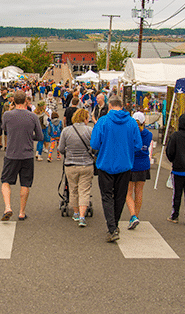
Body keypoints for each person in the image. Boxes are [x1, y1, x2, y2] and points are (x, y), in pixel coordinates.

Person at [90, 95, 142, 243]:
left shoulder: (103, 121)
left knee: (107, 196)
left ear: (110, 106)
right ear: (122, 106)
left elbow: (94, 144)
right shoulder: (132, 122)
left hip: (105, 164)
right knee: (120, 197)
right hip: (125, 164)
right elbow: (138, 145)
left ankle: (112, 228)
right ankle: (115, 225)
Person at [0, 90, 44, 221]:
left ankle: (8, 207)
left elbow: (4, 129)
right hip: (27, 154)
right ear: (26, 101)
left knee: (5, 181)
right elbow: (40, 136)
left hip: (11, 153)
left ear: (13, 101)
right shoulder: (33, 116)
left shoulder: (7, 115)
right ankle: (21, 212)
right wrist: (30, 137)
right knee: (25, 183)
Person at [59, 109, 94, 227]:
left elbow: (61, 149)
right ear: (85, 118)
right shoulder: (90, 130)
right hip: (86, 164)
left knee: (73, 189)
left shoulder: (66, 131)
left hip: (71, 164)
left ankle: (76, 213)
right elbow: (95, 147)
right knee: (84, 191)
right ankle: (82, 216)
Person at [126, 112, 152, 230]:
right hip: (144, 164)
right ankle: (136, 215)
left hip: (132, 164)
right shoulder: (148, 134)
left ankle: (132, 215)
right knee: (139, 191)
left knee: (128, 192)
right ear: (144, 122)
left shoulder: (130, 133)